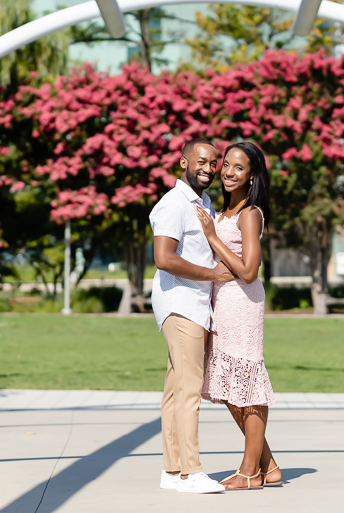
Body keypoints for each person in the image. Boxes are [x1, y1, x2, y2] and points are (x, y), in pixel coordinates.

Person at [149, 138, 234, 494]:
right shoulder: (173, 204)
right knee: (188, 392)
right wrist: (214, 275)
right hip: (180, 304)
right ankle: (192, 472)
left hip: (195, 306)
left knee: (174, 391)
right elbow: (164, 258)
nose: (209, 168)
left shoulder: (204, 203)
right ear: (182, 163)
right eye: (201, 161)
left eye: (213, 163)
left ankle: (172, 471)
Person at [196, 142, 281, 491]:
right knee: (231, 387)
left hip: (242, 304)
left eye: (239, 167)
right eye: (226, 165)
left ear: (252, 175)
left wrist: (213, 238)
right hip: (220, 303)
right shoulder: (220, 210)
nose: (229, 172)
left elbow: (249, 270)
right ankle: (268, 465)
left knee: (247, 384)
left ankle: (249, 473)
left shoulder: (250, 213)